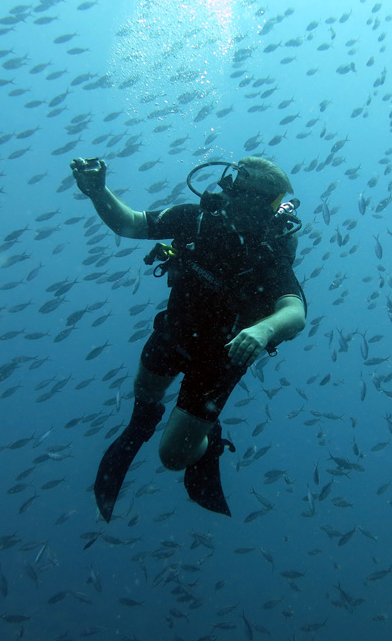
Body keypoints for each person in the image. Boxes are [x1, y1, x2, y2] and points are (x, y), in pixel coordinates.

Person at [70, 155, 307, 521]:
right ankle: (140, 425)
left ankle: (209, 443)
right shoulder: (195, 219)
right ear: (232, 190)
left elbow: (295, 313)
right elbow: (130, 223)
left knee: (172, 458)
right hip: (174, 332)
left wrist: (262, 329)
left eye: (267, 204)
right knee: (145, 393)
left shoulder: (267, 252)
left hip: (219, 361)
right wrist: (98, 192)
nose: (253, 209)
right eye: (247, 195)